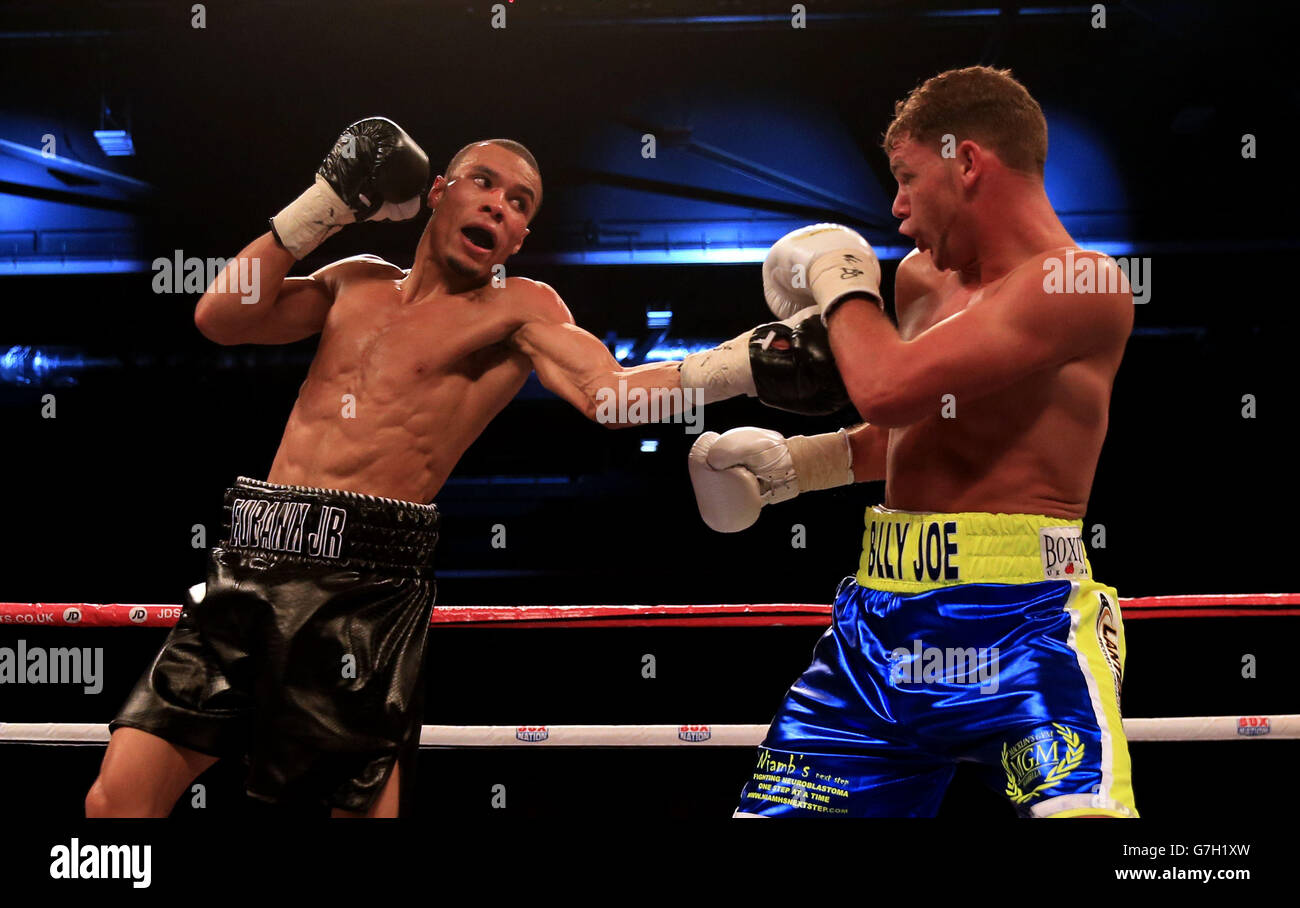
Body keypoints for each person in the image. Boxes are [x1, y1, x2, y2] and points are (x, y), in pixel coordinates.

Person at [85, 117, 849, 817]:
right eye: (484, 184)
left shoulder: (518, 308)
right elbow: (223, 314)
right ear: (438, 192)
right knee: (115, 804)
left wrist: (742, 368)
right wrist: (326, 200)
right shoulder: (354, 280)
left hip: (363, 585)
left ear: (519, 238)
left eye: (520, 204)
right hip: (250, 557)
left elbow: (607, 395)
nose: (499, 207)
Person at [690, 66, 1138, 817]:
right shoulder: (923, 283)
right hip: (878, 626)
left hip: (1024, 623)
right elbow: (906, 426)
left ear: (967, 162)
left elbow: (887, 385)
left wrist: (838, 277)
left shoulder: (1080, 282)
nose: (895, 211)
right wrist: (788, 469)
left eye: (905, 178)